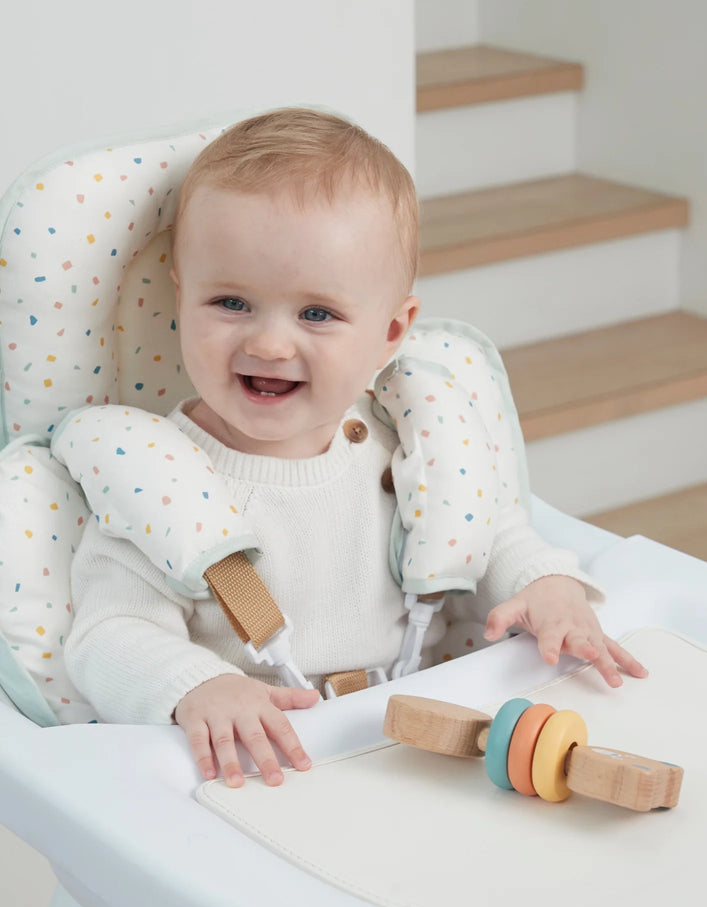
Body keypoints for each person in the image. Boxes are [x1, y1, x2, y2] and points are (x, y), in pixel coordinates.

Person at [65, 107, 646, 792]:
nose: (269, 344)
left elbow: (490, 531)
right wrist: (198, 686)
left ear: (392, 330)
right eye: (231, 302)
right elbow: (107, 635)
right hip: (271, 768)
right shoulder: (160, 483)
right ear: (180, 296)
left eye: (317, 313)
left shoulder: (409, 444)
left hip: (427, 746)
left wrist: (543, 587)